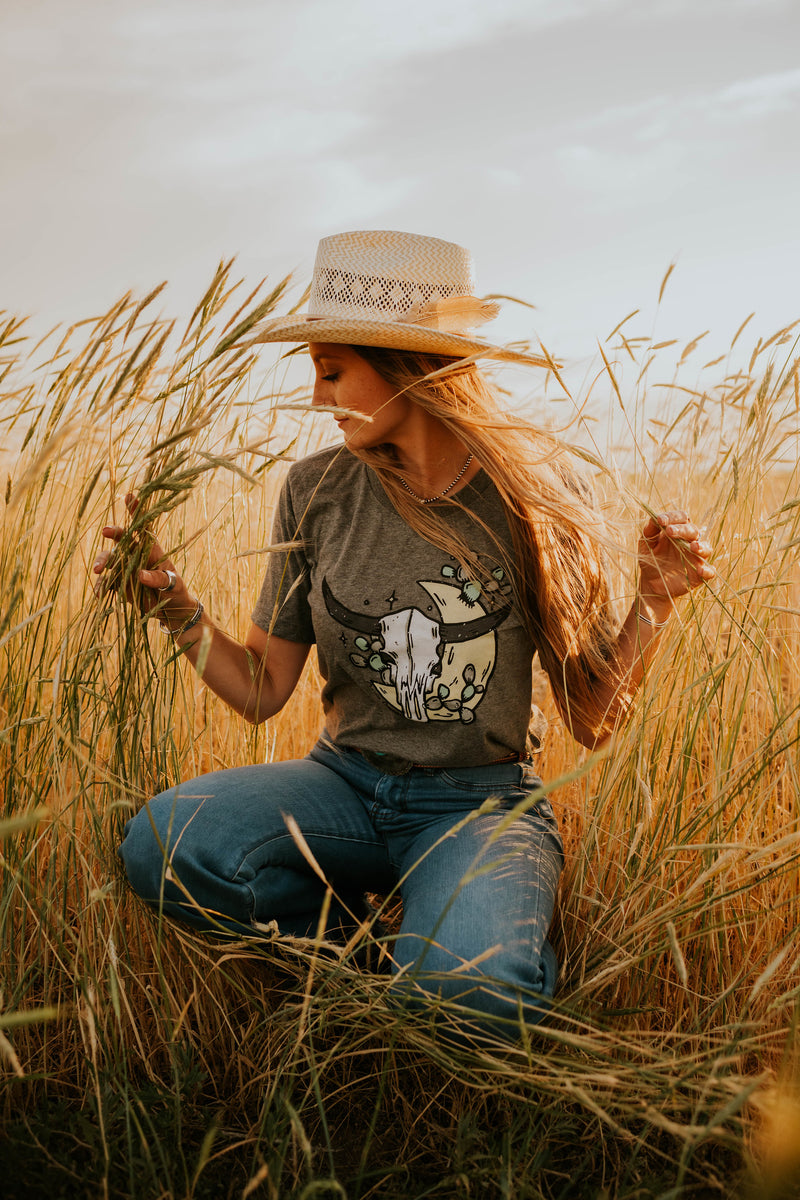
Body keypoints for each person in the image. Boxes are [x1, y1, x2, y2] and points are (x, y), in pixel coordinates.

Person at [93, 230, 715, 1043]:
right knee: (163, 846)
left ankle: (470, 947)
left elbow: (593, 717)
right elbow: (259, 690)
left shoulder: (532, 495)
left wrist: (655, 603)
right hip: (341, 788)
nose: (317, 397)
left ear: (406, 368)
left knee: (468, 993)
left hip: (480, 805)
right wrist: (175, 606)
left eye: (331, 371)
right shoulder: (314, 492)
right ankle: (370, 944)